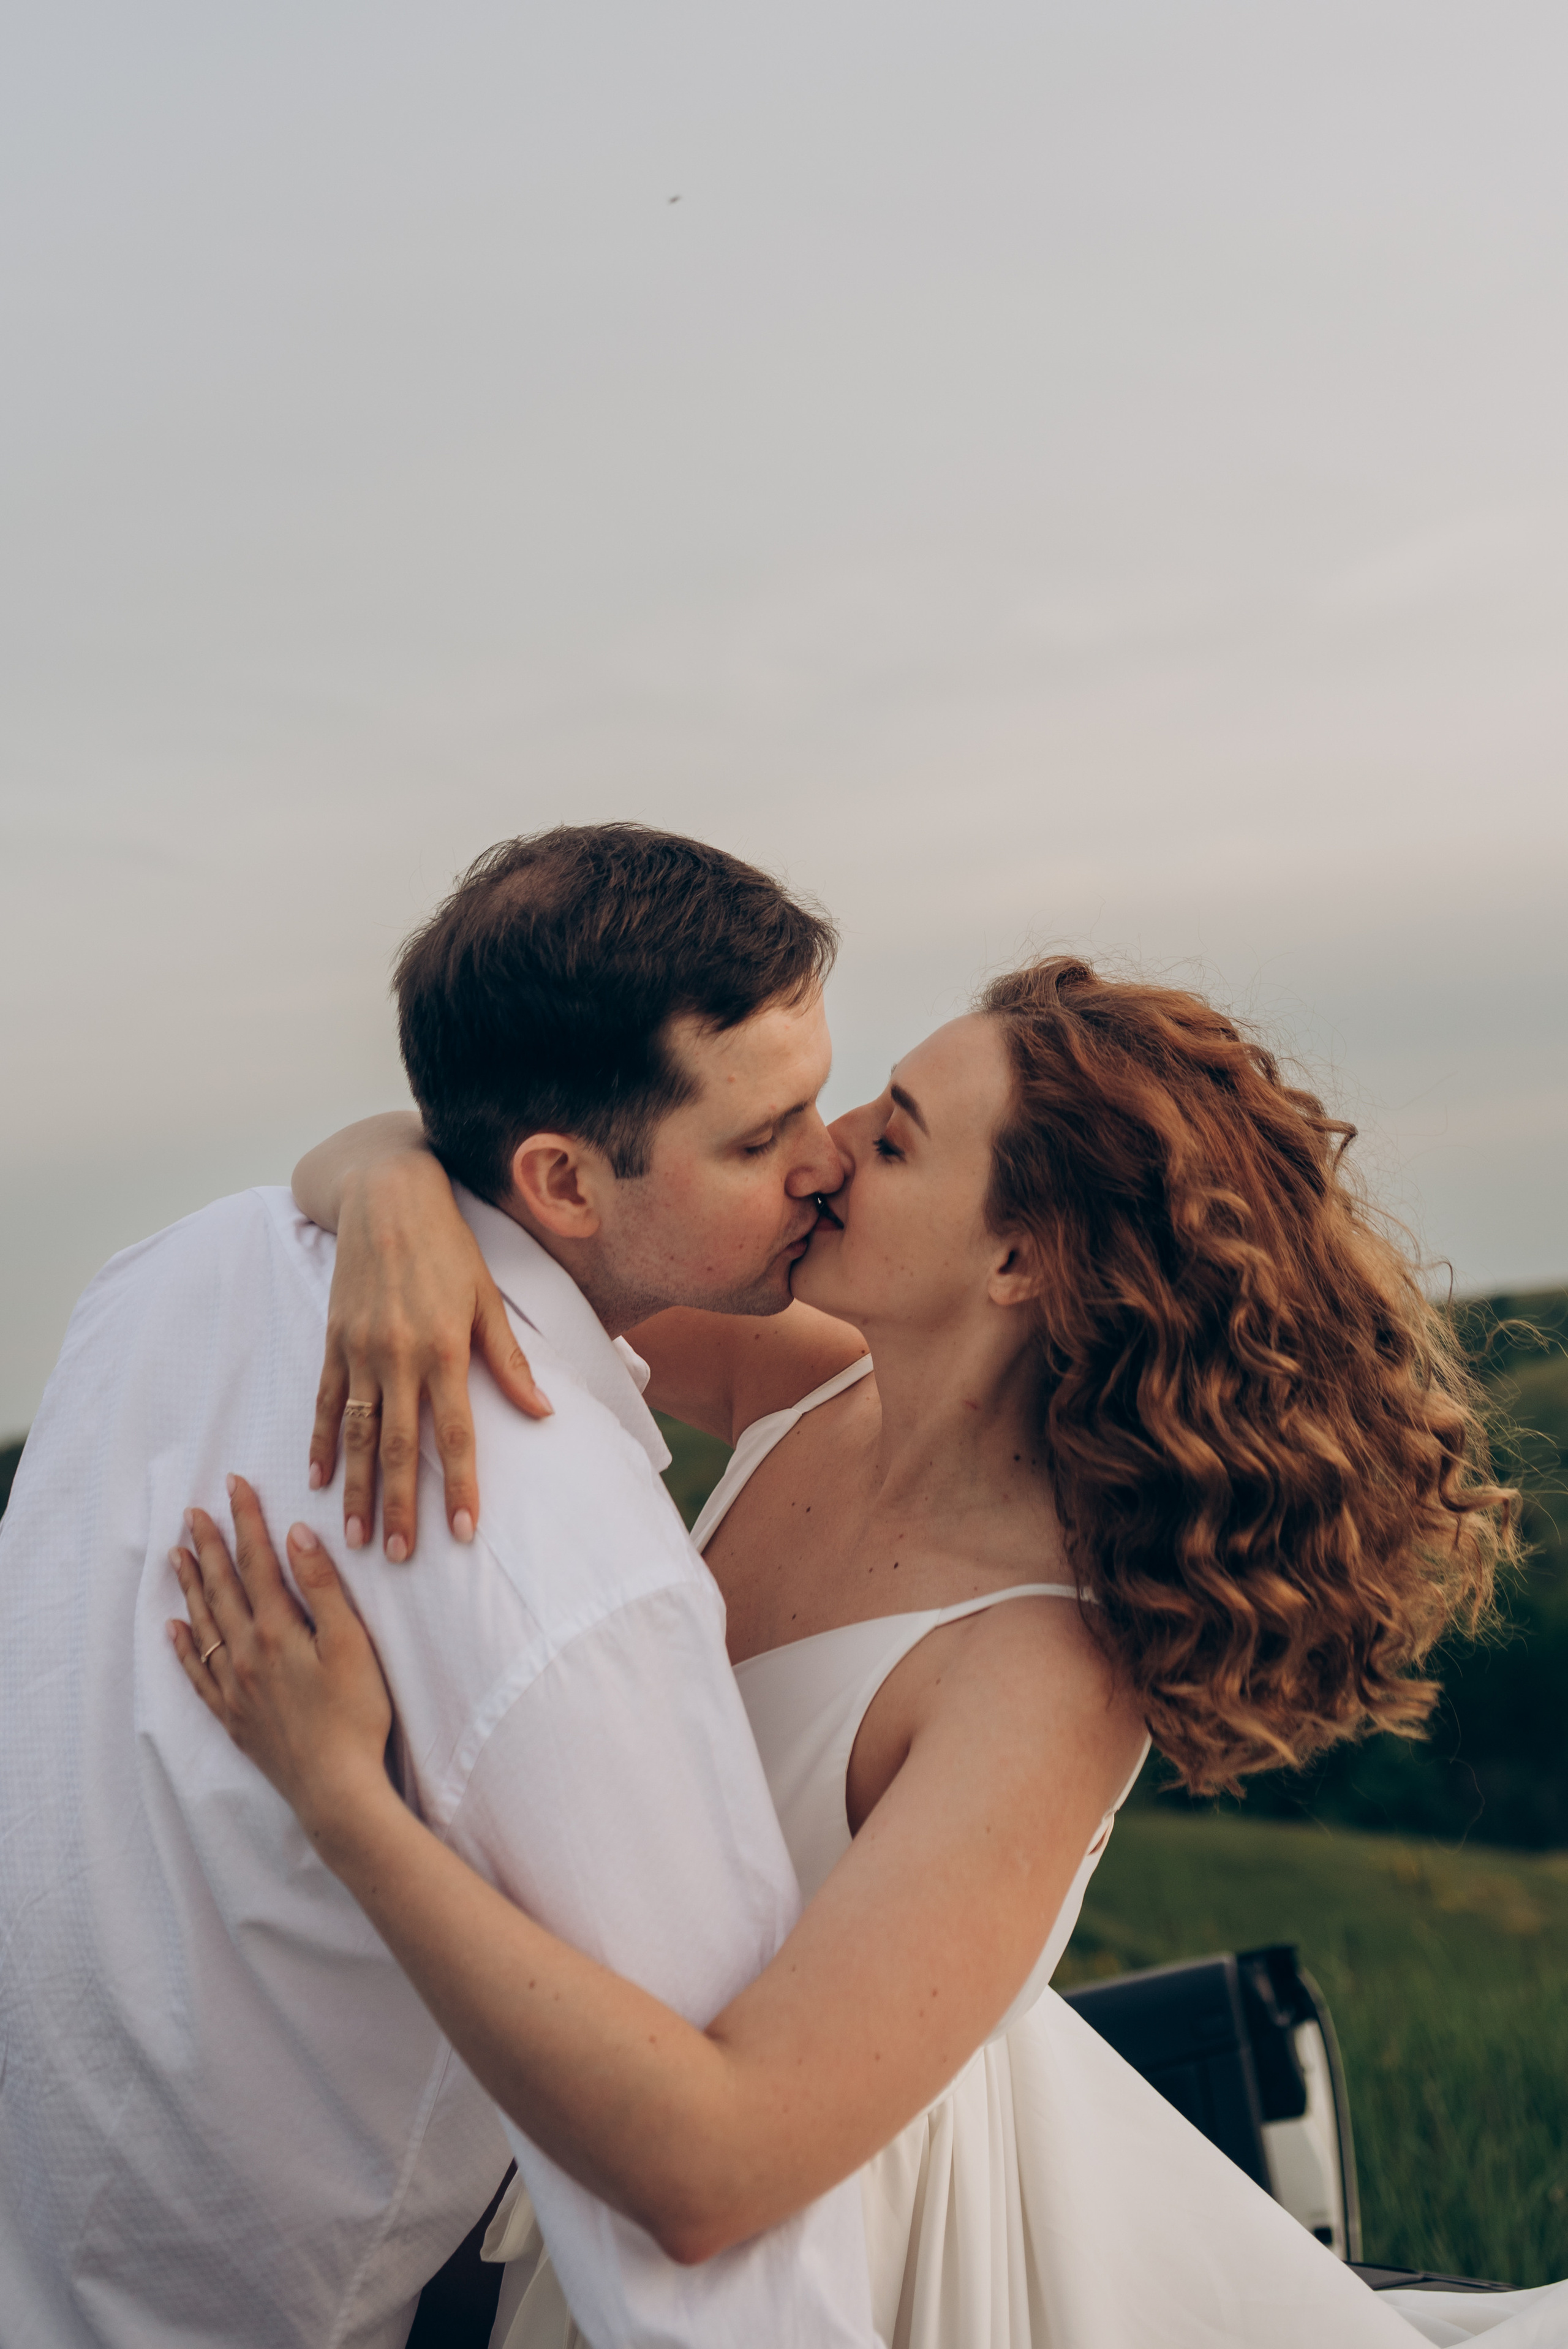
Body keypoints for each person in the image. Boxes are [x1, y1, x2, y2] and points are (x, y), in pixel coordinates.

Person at [170, 950, 1554, 2348]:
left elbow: (718, 2172)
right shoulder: (811, 1381)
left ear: (1019, 1259)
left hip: (845, 2261)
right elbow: (517, 1188)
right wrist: (392, 1200)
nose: (825, 1151)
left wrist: (340, 1794)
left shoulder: (1040, 1676)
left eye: (892, 1139)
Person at [0, 826, 880, 2349]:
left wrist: (382, 1173)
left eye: (822, 1099)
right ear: (558, 1180)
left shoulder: (167, 1272)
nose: (831, 1163)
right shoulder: (571, 1559)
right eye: (760, 1139)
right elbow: (719, 2267)